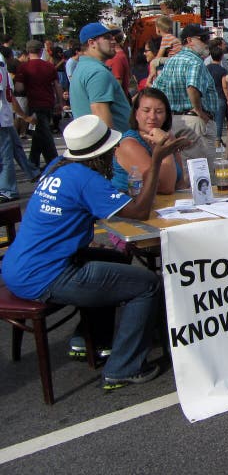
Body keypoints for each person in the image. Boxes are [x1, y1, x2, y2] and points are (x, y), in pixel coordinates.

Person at [1, 114, 188, 389]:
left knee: (117, 260)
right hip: (47, 275)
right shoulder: (86, 179)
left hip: (20, 266)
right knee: (148, 284)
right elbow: (139, 211)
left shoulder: (57, 166)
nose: (115, 155)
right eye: (111, 151)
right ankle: (123, 367)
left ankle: (97, 340)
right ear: (99, 155)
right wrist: (157, 159)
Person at [153, 23, 219, 167]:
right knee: (201, 170)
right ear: (189, 40)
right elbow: (192, 87)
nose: (206, 42)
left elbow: (157, 88)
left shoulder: (171, 61)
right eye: (202, 39)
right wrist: (199, 111)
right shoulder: (194, 61)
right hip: (194, 121)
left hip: (174, 120)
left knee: (184, 167)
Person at [111, 87, 184, 195]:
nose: (152, 116)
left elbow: (181, 182)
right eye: (146, 110)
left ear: (166, 116)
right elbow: (165, 187)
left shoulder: (168, 136)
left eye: (159, 111)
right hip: (132, 207)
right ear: (136, 114)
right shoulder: (128, 145)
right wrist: (164, 145)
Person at [69, 22, 131, 133]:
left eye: (113, 37)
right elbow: (100, 113)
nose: (113, 41)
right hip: (113, 145)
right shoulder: (97, 72)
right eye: (107, 38)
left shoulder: (84, 67)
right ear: (92, 43)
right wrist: (113, 147)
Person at [15, 39, 62, 169]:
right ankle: (34, 162)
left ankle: (53, 163)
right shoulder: (49, 66)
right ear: (41, 50)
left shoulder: (24, 67)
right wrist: (60, 102)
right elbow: (57, 86)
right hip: (48, 103)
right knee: (39, 132)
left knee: (43, 133)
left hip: (34, 104)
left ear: (28, 51)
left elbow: (19, 88)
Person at [0, 47, 38, 202]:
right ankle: (32, 172)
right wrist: (24, 116)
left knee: (5, 155)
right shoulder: (4, 66)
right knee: (15, 148)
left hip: (2, 117)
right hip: (4, 115)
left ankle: (8, 190)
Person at [206, 44, 228, 147]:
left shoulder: (206, 68)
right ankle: (217, 141)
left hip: (208, 98)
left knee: (209, 120)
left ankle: (209, 140)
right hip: (220, 97)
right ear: (221, 57)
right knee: (219, 121)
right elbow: (224, 86)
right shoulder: (222, 70)